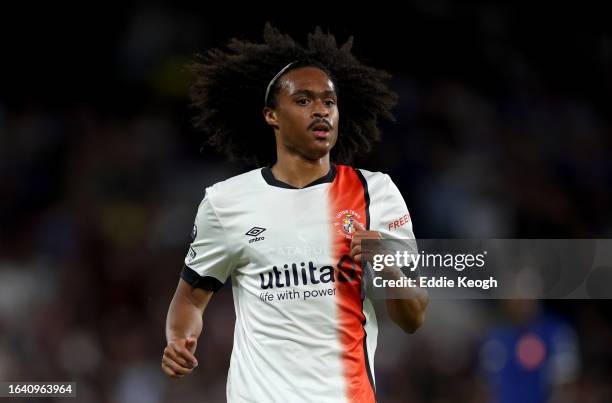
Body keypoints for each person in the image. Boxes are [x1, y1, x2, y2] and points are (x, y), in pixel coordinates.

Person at [161, 24, 428, 403]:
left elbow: (413, 318)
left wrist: (387, 266)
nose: (320, 110)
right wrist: (179, 339)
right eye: (303, 100)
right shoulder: (226, 202)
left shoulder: (374, 193)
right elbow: (190, 298)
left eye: (328, 102)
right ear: (271, 115)